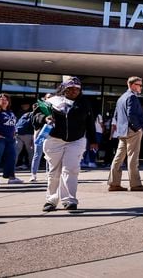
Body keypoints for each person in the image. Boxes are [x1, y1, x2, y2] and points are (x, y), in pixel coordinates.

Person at [34, 78, 97, 211]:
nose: (74, 91)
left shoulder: (84, 104)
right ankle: (51, 200)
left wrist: (93, 140)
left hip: (76, 140)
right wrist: (44, 118)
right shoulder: (51, 101)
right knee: (54, 171)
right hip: (54, 140)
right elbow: (35, 117)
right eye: (71, 88)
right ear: (64, 88)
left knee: (71, 169)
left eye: (77, 89)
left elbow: (90, 123)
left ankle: (70, 200)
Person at [108, 76, 143, 192]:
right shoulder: (132, 97)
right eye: (139, 85)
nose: (141, 87)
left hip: (122, 131)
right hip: (132, 131)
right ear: (132, 85)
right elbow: (131, 114)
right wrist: (138, 128)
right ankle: (135, 184)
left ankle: (114, 183)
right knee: (133, 157)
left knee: (118, 157)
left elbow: (116, 116)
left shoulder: (121, 98)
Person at [0, 93, 23, 184]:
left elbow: (13, 124)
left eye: (6, 99)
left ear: (9, 102)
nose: (4, 101)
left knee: (11, 158)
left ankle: (11, 177)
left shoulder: (10, 112)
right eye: (2, 99)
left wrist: (14, 133)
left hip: (10, 139)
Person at [14, 101, 34, 171]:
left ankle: (12, 166)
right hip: (28, 134)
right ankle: (33, 166)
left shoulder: (18, 113)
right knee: (31, 151)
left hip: (18, 133)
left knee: (16, 151)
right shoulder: (32, 114)